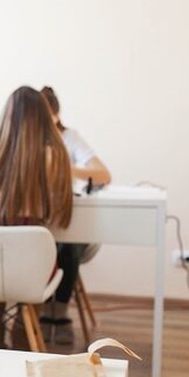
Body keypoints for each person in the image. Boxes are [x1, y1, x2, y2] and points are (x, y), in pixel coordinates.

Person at [0, 86, 74, 349]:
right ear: (42, 116)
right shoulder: (54, 154)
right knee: (30, 281)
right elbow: (59, 210)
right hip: (30, 264)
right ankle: (23, 342)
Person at [39, 86, 112, 345]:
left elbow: (103, 175)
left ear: (56, 116)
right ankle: (42, 311)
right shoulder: (29, 140)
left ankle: (58, 313)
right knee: (40, 241)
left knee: (67, 244)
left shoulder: (69, 139)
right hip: (41, 223)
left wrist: (66, 168)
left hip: (71, 224)